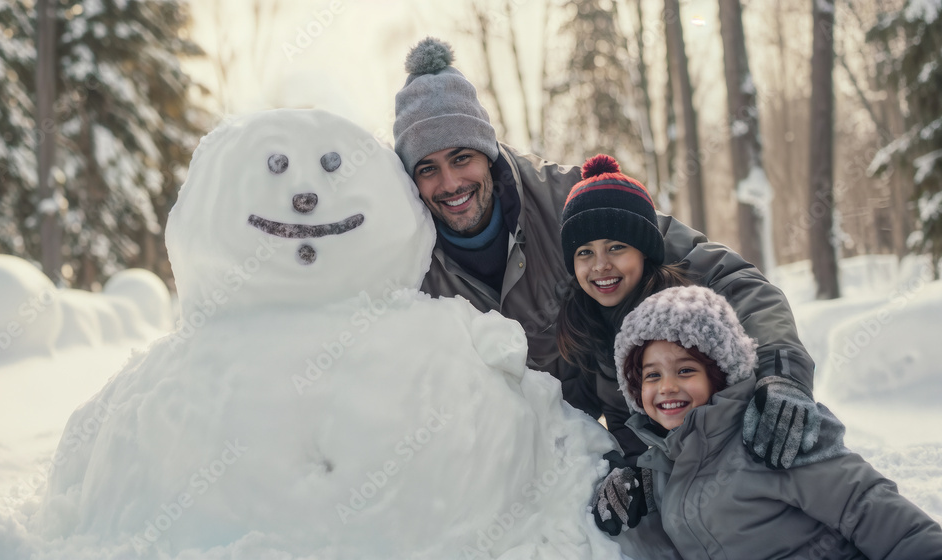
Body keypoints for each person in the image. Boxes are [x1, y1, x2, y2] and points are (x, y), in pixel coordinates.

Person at [393, 36, 816, 468]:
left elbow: (730, 277)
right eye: (427, 168)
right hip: (525, 461)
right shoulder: (408, 256)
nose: (449, 184)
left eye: (461, 157)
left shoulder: (575, 203)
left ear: (488, 154)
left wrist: (781, 371)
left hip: (660, 418)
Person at [591, 284, 942, 558]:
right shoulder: (665, 464)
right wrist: (635, 491)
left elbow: (871, 510)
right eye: (652, 376)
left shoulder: (772, 433)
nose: (667, 387)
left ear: (720, 374)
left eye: (685, 370)